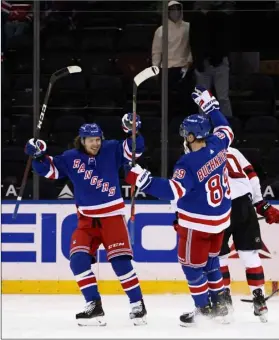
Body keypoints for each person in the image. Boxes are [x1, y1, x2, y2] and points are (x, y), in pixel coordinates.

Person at [24, 113, 147, 326]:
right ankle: (94, 305)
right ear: (82, 140)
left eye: (98, 139)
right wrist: (37, 155)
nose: (96, 144)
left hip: (112, 217)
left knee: (120, 262)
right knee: (77, 260)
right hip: (86, 221)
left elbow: (135, 149)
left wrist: (133, 130)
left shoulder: (111, 149)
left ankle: (138, 305)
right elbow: (47, 170)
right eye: (91, 140)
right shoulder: (70, 157)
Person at [125, 86, 234, 325]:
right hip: (221, 220)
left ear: (193, 136)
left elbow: (173, 190)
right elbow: (226, 128)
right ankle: (221, 307)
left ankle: (203, 309)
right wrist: (211, 107)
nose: (184, 137)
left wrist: (144, 181)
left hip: (198, 223)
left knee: (191, 267)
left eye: (186, 134)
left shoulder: (187, 162)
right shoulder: (219, 144)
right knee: (212, 262)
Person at [219, 146, 279, 323]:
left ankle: (224, 301)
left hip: (219, 206)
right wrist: (260, 203)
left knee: (219, 256)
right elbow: (251, 175)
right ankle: (259, 300)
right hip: (244, 204)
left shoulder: (200, 152)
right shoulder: (232, 150)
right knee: (250, 255)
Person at [152, 0, 195, 115]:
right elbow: (156, 51)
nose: (175, 12)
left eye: (177, 10)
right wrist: (155, 69)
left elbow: (193, 46)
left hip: (184, 68)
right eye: (172, 10)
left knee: (186, 100)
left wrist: (189, 62)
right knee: (167, 101)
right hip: (167, 69)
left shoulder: (188, 27)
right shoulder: (161, 30)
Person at [190, 1, 232, 117]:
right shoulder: (196, 18)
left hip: (220, 63)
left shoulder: (221, 17)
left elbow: (225, 40)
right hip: (202, 63)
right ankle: (204, 125)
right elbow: (193, 41)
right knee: (203, 98)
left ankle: (226, 125)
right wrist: (198, 60)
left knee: (223, 97)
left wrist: (218, 57)